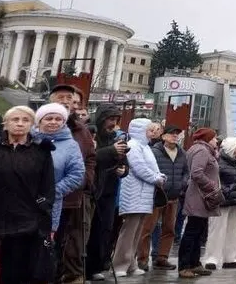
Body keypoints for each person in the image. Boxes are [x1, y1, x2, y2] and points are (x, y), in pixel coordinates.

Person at [0, 106, 57, 283]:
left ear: (32, 125)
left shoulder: (41, 152)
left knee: (20, 270)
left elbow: (48, 186)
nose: (20, 124)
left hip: (26, 221)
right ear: (5, 124)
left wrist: (41, 208)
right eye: (15, 120)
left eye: (25, 120)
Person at [46, 85, 96, 284]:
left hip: (72, 196)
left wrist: (86, 179)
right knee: (46, 242)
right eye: (60, 97)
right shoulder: (39, 124)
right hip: (42, 198)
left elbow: (90, 158)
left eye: (69, 97)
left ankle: (62, 275)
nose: (66, 100)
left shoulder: (80, 129)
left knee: (66, 240)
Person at [111, 118, 167, 277]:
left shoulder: (145, 147)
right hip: (134, 193)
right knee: (129, 231)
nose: (153, 132)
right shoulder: (134, 146)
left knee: (137, 231)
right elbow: (139, 168)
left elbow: (151, 167)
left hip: (144, 194)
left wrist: (158, 175)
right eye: (149, 129)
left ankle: (131, 264)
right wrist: (156, 178)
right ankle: (119, 264)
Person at [32, 104, 84, 249]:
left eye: (58, 119)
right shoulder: (28, 140)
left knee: (43, 250)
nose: (54, 122)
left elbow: (76, 174)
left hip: (49, 205)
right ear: (39, 121)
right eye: (49, 118)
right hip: (22, 203)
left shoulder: (71, 145)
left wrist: (53, 191)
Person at [86, 102, 127, 282]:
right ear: (102, 119)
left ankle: (96, 265)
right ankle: (84, 267)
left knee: (104, 230)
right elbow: (91, 158)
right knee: (89, 229)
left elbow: (125, 165)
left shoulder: (114, 137)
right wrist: (111, 151)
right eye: (110, 119)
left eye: (116, 120)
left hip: (109, 191)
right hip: (94, 189)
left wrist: (123, 169)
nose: (113, 123)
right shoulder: (91, 135)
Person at [141, 125, 188, 271]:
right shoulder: (155, 152)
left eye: (177, 134)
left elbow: (186, 172)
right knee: (147, 228)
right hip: (157, 196)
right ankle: (142, 259)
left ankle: (162, 257)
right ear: (163, 136)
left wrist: (182, 184)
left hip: (174, 197)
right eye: (172, 134)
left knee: (169, 229)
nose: (175, 136)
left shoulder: (182, 153)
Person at [179, 128, 221, 279]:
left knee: (198, 231)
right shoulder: (202, 151)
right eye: (214, 138)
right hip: (199, 197)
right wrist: (211, 185)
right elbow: (197, 173)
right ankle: (184, 266)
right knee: (192, 231)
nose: (217, 140)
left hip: (202, 197)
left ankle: (194, 263)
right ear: (207, 138)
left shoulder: (204, 150)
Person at [205, 137, 236, 270]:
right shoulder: (219, 162)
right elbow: (215, 180)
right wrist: (227, 190)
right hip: (222, 200)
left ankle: (231, 258)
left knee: (233, 230)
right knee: (217, 230)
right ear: (231, 148)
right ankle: (212, 258)